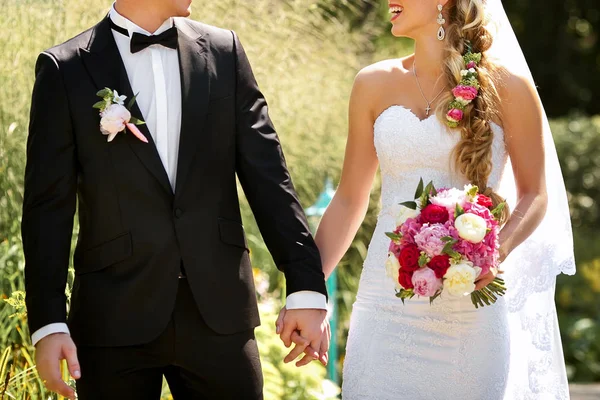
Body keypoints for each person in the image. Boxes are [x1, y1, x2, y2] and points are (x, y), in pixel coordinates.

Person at [21, 0, 330, 398]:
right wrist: (49, 323)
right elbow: (47, 209)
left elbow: (269, 176)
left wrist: (305, 287)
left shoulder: (224, 51)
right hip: (113, 315)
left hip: (219, 314)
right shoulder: (65, 68)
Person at [278, 0, 576, 398]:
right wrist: (310, 293)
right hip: (385, 305)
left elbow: (535, 194)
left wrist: (493, 251)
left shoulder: (510, 87)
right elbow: (350, 199)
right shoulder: (372, 83)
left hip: (469, 311)